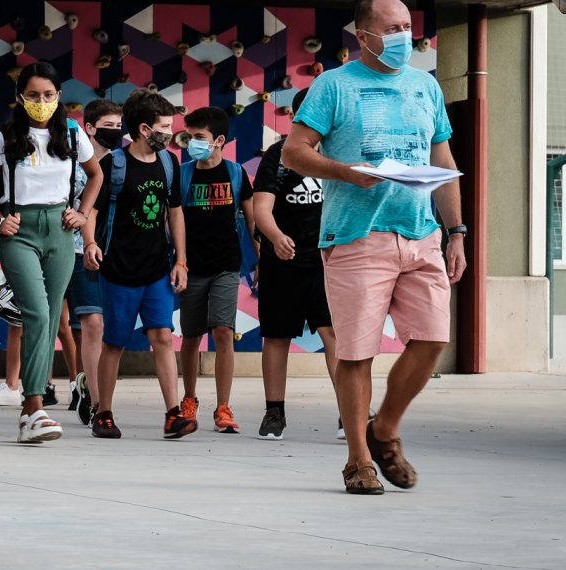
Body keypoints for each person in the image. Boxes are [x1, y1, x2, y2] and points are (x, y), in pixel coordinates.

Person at [282, 0, 466, 494]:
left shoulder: (425, 86)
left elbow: (442, 159)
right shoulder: (334, 85)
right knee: (357, 353)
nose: (404, 36)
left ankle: (383, 430)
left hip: (421, 232)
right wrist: (345, 172)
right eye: (393, 29)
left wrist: (457, 232)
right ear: (364, 36)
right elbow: (293, 151)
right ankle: (358, 461)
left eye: (408, 27)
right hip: (356, 236)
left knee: (432, 340)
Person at [0, 62, 102, 443]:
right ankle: (33, 404)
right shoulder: (4, 136)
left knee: (51, 318)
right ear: (20, 97)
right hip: (19, 230)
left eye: (48, 95)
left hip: (61, 229)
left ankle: (29, 412)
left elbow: (96, 174)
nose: (41, 102)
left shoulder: (71, 131)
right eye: (33, 95)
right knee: (35, 310)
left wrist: (82, 213)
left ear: (59, 97)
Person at [83, 89, 192, 439]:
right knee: (114, 343)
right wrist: (89, 243)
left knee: (162, 335)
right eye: (165, 127)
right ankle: (104, 412)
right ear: (145, 129)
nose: (170, 134)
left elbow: (174, 213)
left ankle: (173, 414)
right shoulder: (111, 165)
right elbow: (91, 210)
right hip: (118, 268)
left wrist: (181, 261)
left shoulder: (168, 163)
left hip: (157, 267)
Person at [251, 88, 338, 441]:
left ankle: (351, 413)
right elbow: (261, 210)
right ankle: (274, 412)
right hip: (282, 262)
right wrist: (275, 237)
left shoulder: (338, 155)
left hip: (327, 263)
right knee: (276, 336)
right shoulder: (279, 155)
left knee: (334, 335)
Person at [177, 106, 256, 434]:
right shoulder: (182, 174)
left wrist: (261, 259)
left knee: (223, 331)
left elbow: (252, 222)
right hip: (192, 267)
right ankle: (189, 399)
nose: (191, 143)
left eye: (199, 138)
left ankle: (223, 407)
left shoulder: (236, 174)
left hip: (226, 265)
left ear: (219, 140)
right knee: (192, 336)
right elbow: (173, 217)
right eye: (189, 137)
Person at [66, 98, 121, 425]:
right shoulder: (70, 161)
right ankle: (94, 397)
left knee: (100, 326)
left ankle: (93, 389)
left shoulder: (120, 164)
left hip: (112, 255)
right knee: (79, 324)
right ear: (89, 127)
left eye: (118, 127)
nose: (115, 132)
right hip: (71, 250)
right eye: (108, 126)